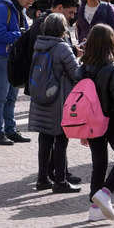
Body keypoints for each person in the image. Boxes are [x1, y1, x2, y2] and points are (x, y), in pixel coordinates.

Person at [79, 24, 114, 222]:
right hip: (112, 121)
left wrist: (83, 130)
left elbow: (81, 100)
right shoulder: (113, 67)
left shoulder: (83, 67)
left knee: (99, 163)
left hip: (92, 122)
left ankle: (94, 208)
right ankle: (104, 193)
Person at [28, 13, 82, 193]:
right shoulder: (62, 48)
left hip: (40, 100)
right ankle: (60, 181)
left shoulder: (39, 45)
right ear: (62, 29)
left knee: (44, 140)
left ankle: (42, 179)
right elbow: (76, 74)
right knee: (61, 140)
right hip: (58, 101)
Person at [0, 0, 36, 145]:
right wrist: (21, 34)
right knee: (1, 96)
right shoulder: (3, 9)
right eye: (28, 2)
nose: (28, 6)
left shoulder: (17, 9)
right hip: (2, 56)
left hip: (14, 57)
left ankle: (10, 129)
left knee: (11, 96)